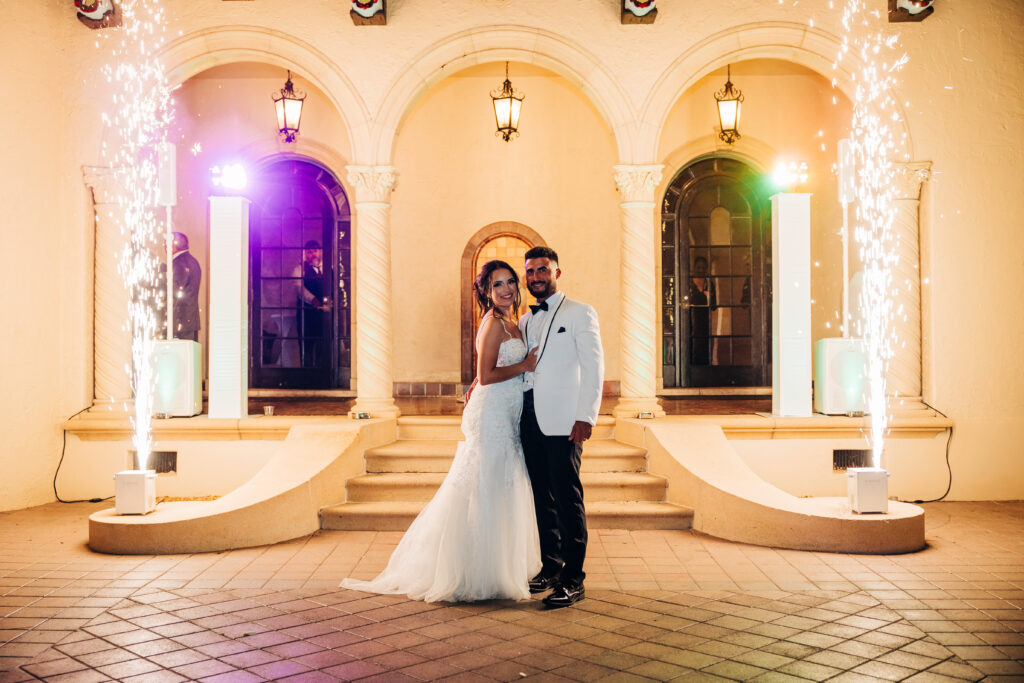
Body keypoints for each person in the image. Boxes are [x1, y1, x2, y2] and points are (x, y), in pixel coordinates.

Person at [341, 260, 541, 602]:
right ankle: (472, 571)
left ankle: (500, 566)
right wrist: (523, 366)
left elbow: (484, 371)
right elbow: (489, 373)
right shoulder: (493, 323)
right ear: (486, 291)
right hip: (492, 412)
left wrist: (483, 379)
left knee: (503, 481)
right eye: (497, 285)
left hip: (507, 409)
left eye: (510, 282)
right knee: (486, 482)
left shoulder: (514, 320)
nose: (506, 289)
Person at [518, 246, 604, 607]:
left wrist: (587, 416)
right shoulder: (525, 319)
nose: (536, 277)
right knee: (542, 496)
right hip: (529, 416)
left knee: (567, 498)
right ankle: (551, 567)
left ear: (557, 272)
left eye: (543, 270)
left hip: (565, 420)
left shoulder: (581, 312)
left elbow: (594, 366)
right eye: (531, 272)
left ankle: (573, 579)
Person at [293, 240, 331, 367]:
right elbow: (299, 289)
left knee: (323, 345)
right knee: (306, 347)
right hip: (306, 315)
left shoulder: (329, 268)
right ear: (305, 254)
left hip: (324, 315)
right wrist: (313, 299)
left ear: (320, 252)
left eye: (315, 251)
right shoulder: (299, 269)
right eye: (309, 252)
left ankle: (322, 376)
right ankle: (307, 377)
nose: (312, 254)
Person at [170, 232, 201, 342]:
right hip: (190, 321)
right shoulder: (193, 261)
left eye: (166, 243)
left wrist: (163, 276)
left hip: (180, 322)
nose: (164, 246)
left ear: (174, 245)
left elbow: (175, 291)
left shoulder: (179, 263)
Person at [688, 255, 717, 366]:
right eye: (698, 267)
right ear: (694, 268)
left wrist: (709, 297)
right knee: (690, 344)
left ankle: (703, 370)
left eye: (703, 268)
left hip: (704, 321)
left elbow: (714, 306)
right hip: (690, 319)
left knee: (704, 346)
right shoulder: (688, 283)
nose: (701, 270)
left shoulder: (709, 284)